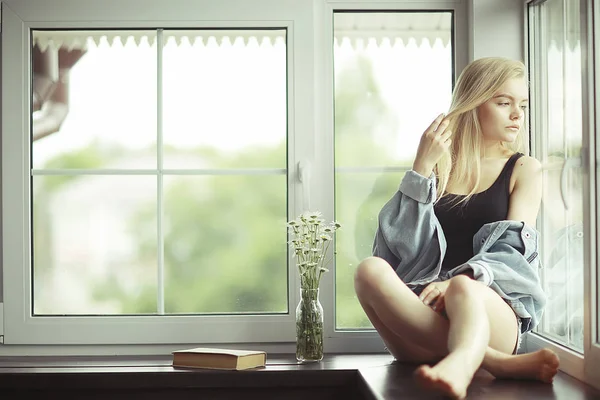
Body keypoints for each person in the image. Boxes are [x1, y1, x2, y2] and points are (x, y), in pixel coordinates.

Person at [353, 57, 560, 400]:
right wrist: (420, 167)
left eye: (522, 105)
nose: (517, 115)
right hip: (421, 327)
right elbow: (396, 246)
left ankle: (470, 360)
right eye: (504, 102)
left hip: (492, 313)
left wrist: (454, 282)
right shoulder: (440, 167)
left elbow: (513, 255)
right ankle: (494, 362)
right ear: (474, 103)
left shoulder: (525, 168)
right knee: (368, 270)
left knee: (464, 288)